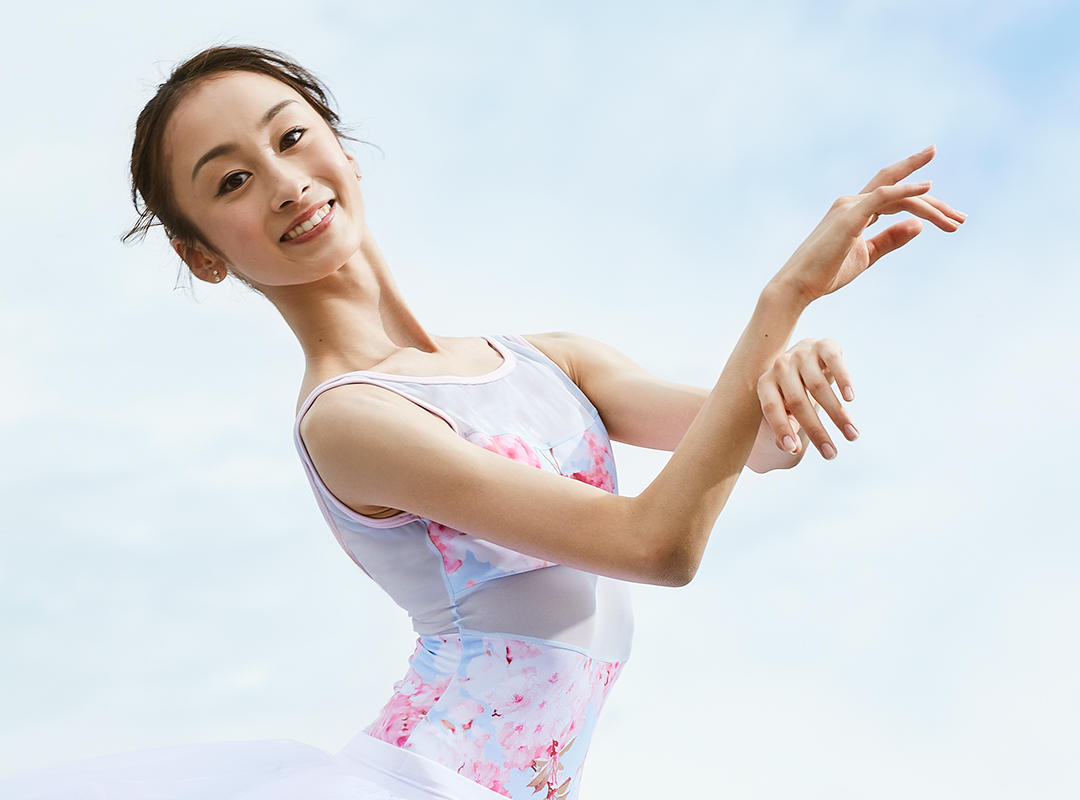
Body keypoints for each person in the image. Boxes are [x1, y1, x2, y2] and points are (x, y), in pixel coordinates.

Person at [0, 44, 965, 800]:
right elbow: (658, 543)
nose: (284, 181)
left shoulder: (551, 360)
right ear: (204, 255)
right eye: (230, 181)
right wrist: (782, 301)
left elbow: (753, 444)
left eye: (289, 138)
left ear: (340, 145)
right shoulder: (351, 419)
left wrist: (782, 372)